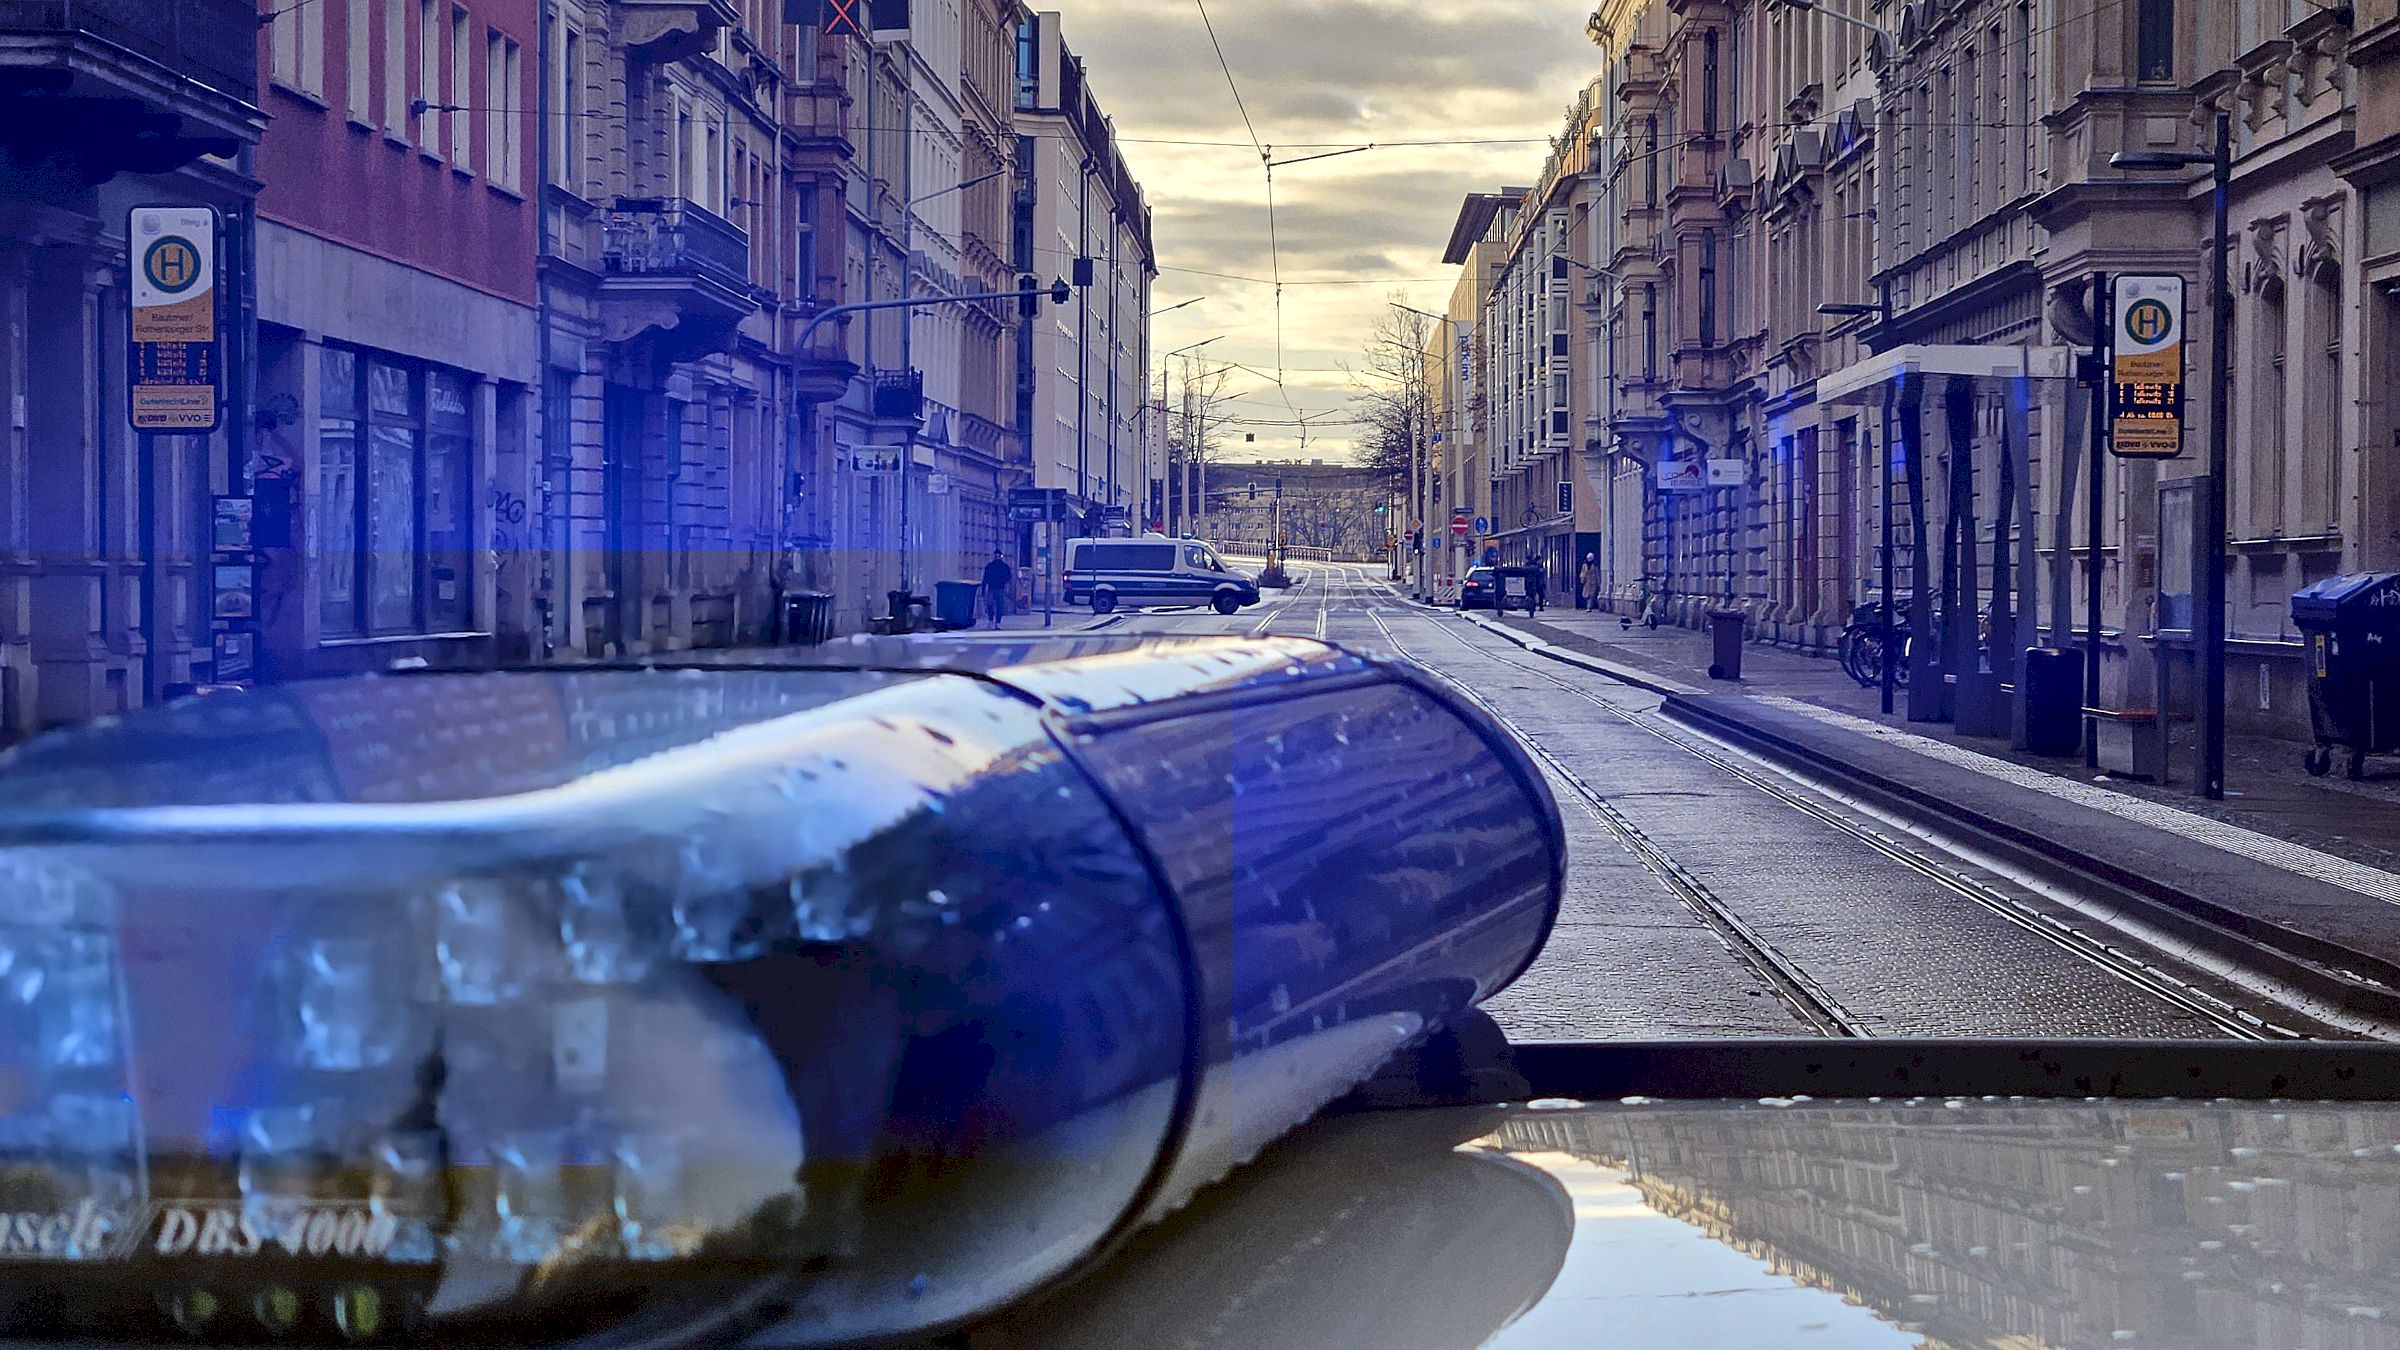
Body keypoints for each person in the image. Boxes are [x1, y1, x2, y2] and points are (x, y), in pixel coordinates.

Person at [981, 551, 1015, 626]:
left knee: (994, 605)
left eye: (998, 556)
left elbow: (985, 578)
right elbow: (1008, 577)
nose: (997, 558)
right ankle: (995, 621)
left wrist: (983, 589)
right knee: (996, 605)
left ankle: (994, 621)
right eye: (997, 556)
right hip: (997, 588)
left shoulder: (991, 566)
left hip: (995, 588)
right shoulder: (1003, 566)